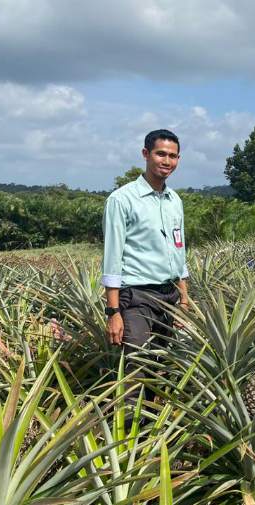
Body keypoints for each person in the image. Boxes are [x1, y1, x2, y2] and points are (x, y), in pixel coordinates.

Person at [102, 129, 190, 398]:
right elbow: (112, 258)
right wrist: (113, 312)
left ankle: (155, 425)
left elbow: (179, 250)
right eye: (160, 154)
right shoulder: (121, 200)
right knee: (135, 368)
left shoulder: (175, 200)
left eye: (173, 156)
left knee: (163, 364)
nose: (167, 161)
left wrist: (184, 298)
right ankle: (128, 431)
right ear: (145, 154)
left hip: (169, 295)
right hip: (137, 296)